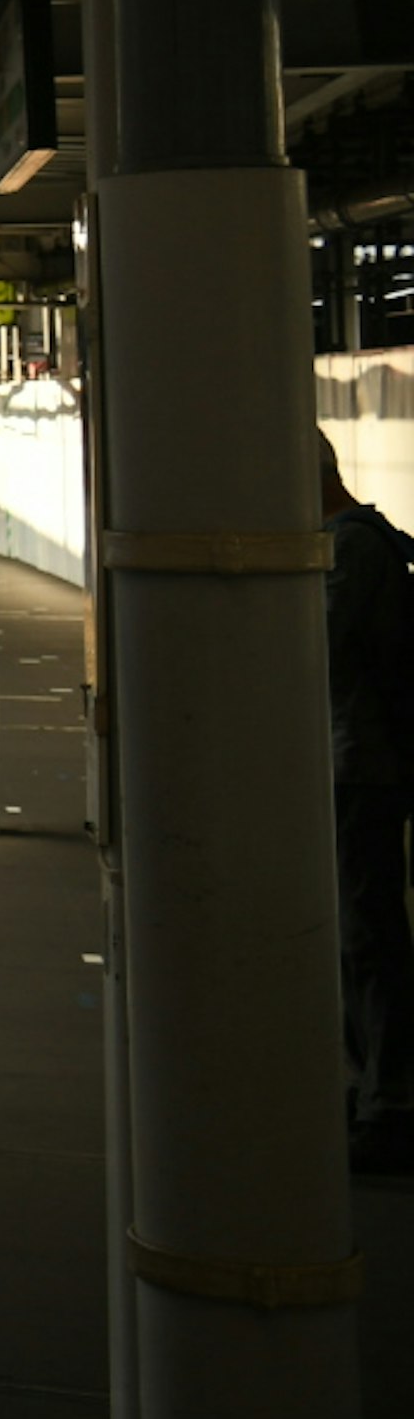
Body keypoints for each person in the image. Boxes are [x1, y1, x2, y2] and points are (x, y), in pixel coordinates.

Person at [318, 434, 414, 1173]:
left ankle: (390, 1102)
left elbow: (316, 649)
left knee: (368, 935)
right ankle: (378, 1086)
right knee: (360, 932)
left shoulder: (349, 552)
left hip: (364, 768)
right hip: (364, 762)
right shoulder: (367, 542)